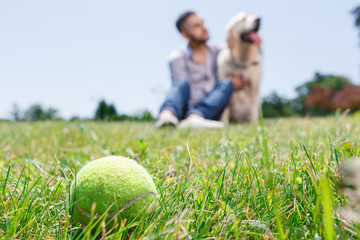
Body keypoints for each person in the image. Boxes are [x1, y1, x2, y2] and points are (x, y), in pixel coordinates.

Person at [156, 11, 244, 129]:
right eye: (196, 26)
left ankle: (195, 118)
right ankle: (167, 116)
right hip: (186, 107)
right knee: (181, 83)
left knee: (227, 84)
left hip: (210, 109)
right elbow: (180, 91)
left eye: (203, 23)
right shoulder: (177, 57)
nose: (204, 28)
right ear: (185, 35)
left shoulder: (219, 52)